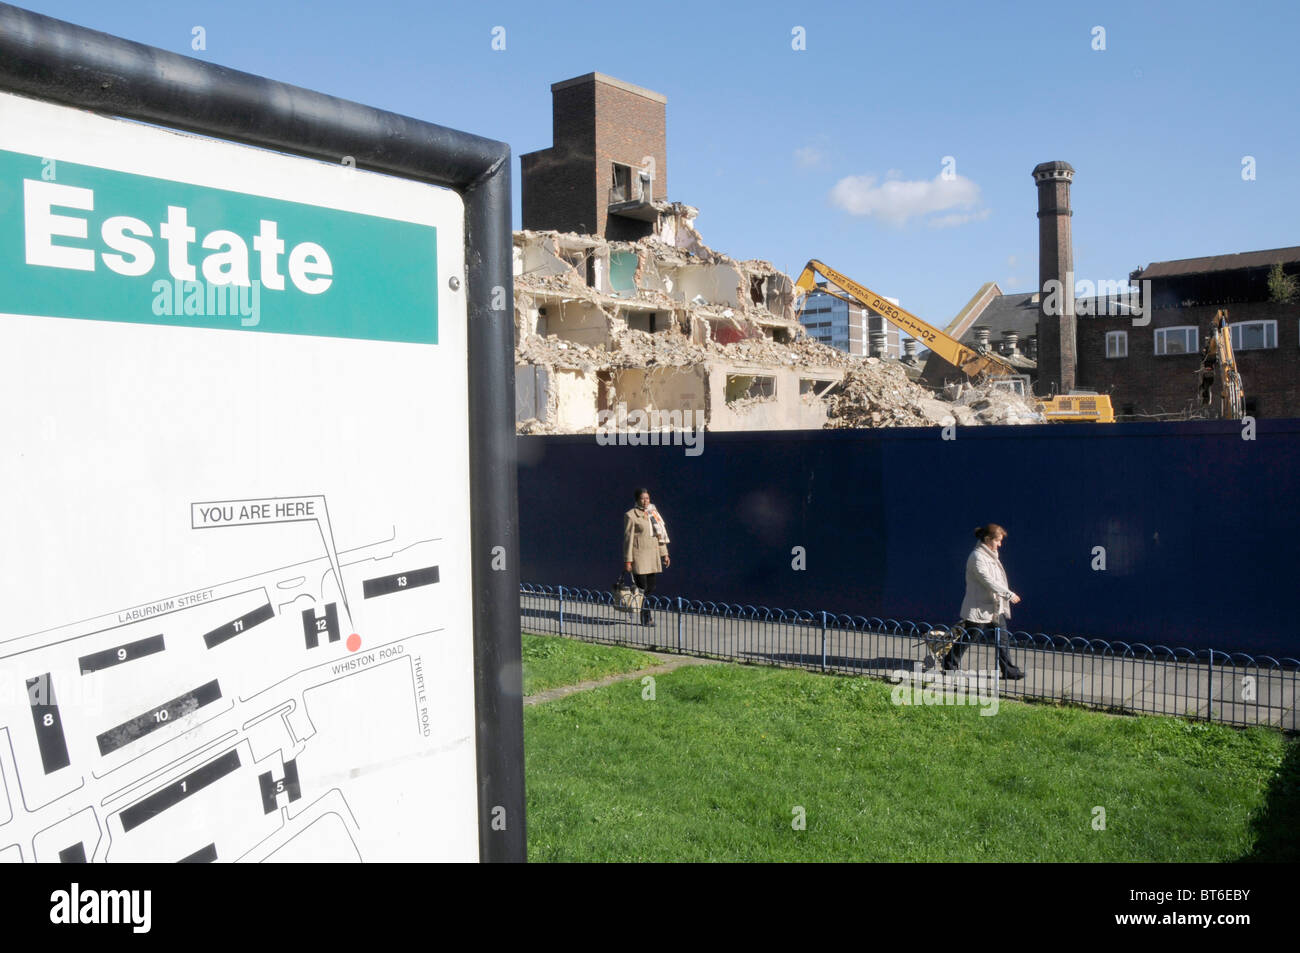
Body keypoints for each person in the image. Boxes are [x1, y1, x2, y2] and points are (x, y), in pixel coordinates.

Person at [935, 523, 1024, 680]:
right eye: (998, 541)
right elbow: (987, 580)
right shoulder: (976, 557)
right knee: (969, 637)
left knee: (1002, 639)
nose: (1000, 544)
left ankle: (1009, 671)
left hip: (995, 608)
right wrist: (1008, 594)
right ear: (988, 539)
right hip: (979, 608)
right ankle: (949, 665)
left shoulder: (991, 555)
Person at [623, 488, 670, 627]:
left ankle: (634, 602)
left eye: (647, 498)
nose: (645, 501)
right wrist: (628, 560)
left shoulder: (653, 514)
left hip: (652, 556)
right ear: (637, 500)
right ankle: (646, 618)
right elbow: (628, 539)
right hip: (639, 556)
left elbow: (659, 535)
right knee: (642, 587)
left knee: (651, 587)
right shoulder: (631, 515)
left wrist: (665, 554)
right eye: (643, 498)